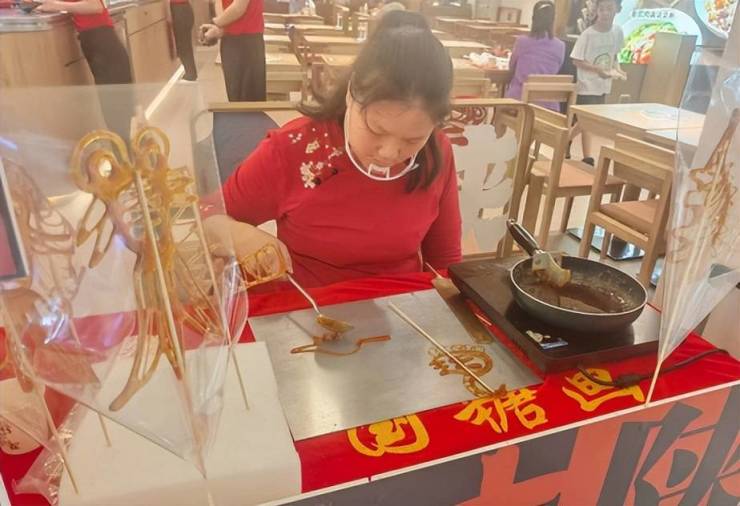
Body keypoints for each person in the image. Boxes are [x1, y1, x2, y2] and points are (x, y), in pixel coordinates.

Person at [207, 12, 462, 288]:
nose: (389, 153)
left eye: (412, 139)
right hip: (310, 303)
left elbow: (445, 260)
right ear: (351, 94)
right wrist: (237, 235)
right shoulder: (295, 149)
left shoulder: (436, 152)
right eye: (376, 129)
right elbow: (207, 215)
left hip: (401, 303)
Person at [38, 0, 134, 139]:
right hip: (98, 42)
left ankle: (126, 150)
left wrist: (58, 5)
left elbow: (95, 6)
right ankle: (126, 149)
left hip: (102, 42)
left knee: (116, 111)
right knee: (116, 110)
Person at [569, 0, 625, 163]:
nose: (605, 13)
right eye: (602, 9)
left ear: (617, 10)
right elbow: (576, 60)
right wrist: (597, 70)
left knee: (587, 122)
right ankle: (588, 157)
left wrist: (618, 69)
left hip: (603, 85)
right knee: (588, 122)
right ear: (596, 10)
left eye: (609, 9)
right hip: (586, 85)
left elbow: (614, 56)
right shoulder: (588, 34)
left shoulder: (617, 31)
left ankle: (564, 140)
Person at [199, 0, 266, 101]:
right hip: (231, 41)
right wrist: (219, 27)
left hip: (248, 41)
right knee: (235, 95)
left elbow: (238, 8)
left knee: (250, 98)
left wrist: (216, 23)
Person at [505, 0, 565, 111]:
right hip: (548, 107)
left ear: (533, 18)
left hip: (519, 102)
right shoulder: (560, 46)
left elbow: (511, 67)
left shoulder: (522, 41)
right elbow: (557, 69)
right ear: (553, 20)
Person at [169, 0, 198, 81]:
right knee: (186, 43)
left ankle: (190, 73)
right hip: (185, 8)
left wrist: (168, 14)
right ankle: (191, 72)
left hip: (179, 10)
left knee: (183, 44)